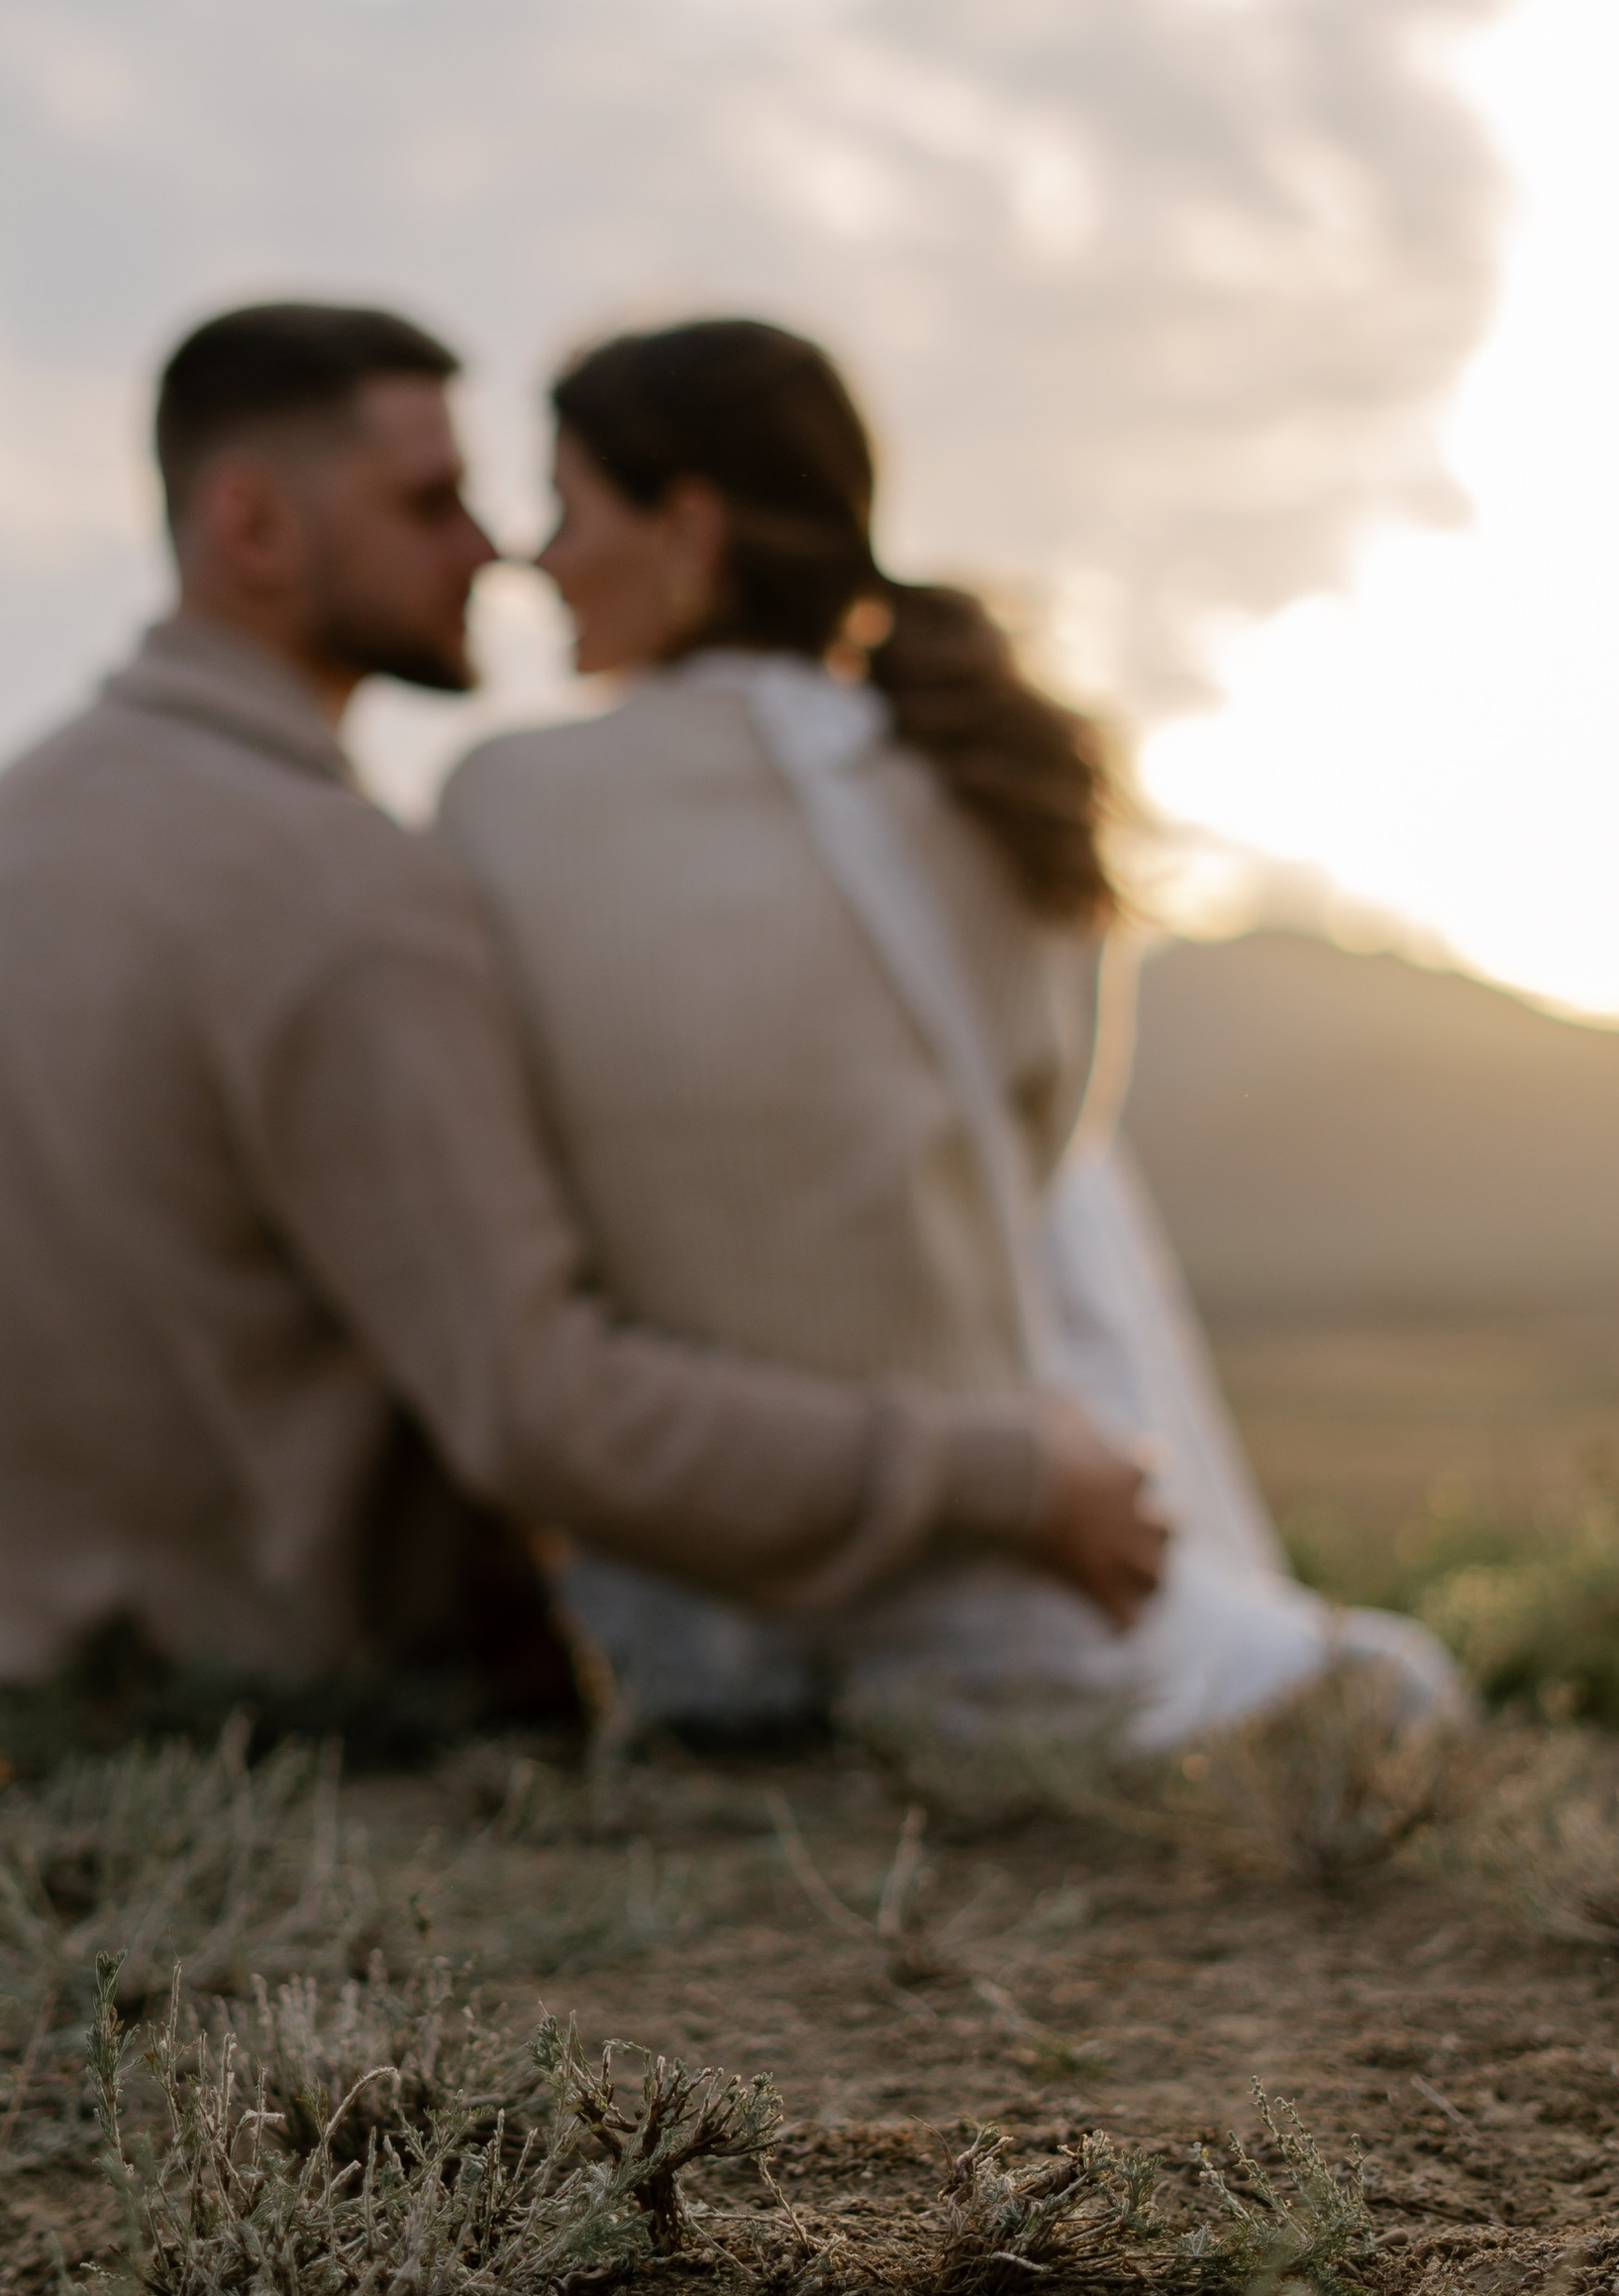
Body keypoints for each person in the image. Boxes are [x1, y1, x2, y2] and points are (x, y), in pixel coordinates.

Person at [0, 300, 1168, 1774]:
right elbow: (544, 1414)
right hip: (192, 1711)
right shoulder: (333, 887)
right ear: (251, 524)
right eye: (429, 505)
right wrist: (1005, 1472)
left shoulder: (13, 811)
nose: (490, 551)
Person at [437, 316, 1456, 1758]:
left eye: (566, 507)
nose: (538, 560)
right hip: (983, 1604)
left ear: (689, 524)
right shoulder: (993, 790)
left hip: (671, 1617)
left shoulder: (497, 804)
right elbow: (1042, 1163)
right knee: (1398, 1686)